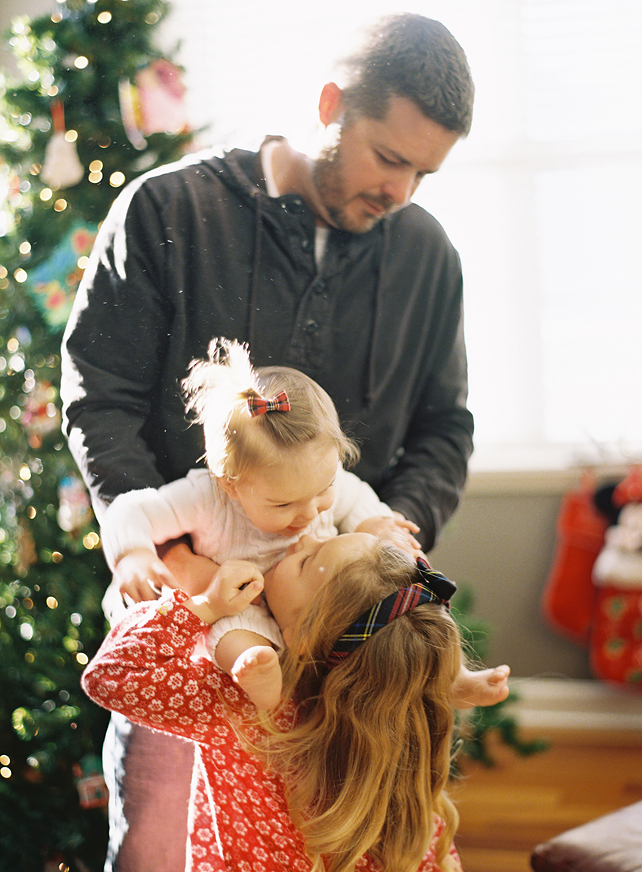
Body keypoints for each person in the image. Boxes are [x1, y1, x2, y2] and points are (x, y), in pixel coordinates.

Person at [61, 12, 476, 871]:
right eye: (389, 158)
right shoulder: (169, 209)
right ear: (331, 104)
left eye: (424, 172)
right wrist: (180, 566)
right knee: (161, 845)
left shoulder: (427, 256)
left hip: (350, 656)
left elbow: (445, 428)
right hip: (199, 629)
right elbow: (99, 397)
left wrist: (379, 553)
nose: (401, 193)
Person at [82, 532, 469, 872]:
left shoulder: (245, 704)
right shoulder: (405, 772)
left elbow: (110, 675)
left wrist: (206, 606)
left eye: (306, 560)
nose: (304, 537)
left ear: (303, 632)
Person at [100, 336, 420, 710]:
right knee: (231, 633)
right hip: (240, 608)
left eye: (324, 489)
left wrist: (379, 524)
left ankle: (443, 679)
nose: (308, 514)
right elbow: (132, 509)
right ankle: (256, 674)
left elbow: (359, 497)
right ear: (230, 484)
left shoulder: (317, 480)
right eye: (283, 503)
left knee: (401, 622)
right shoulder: (207, 498)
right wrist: (134, 554)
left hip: (320, 628)